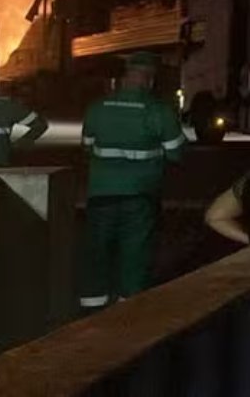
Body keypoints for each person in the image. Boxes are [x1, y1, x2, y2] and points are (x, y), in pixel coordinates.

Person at [78, 51, 186, 310]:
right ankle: (129, 314)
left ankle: (91, 311)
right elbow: (176, 154)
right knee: (134, 256)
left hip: (100, 196)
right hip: (140, 198)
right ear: (150, 80)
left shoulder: (97, 109)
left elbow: (87, 147)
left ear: (125, 76)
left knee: (97, 254)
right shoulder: (159, 112)